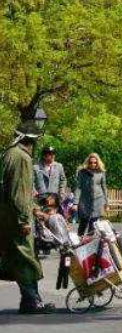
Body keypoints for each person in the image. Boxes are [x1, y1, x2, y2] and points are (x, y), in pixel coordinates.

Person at [1, 120, 54, 313]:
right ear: (31, 140)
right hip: (17, 219)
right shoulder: (21, 157)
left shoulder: (9, 153)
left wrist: (35, 209)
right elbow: (19, 193)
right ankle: (32, 302)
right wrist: (24, 219)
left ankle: (29, 301)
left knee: (16, 258)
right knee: (26, 258)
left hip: (8, 216)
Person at [74, 153, 109, 236]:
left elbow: (104, 187)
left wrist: (106, 203)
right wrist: (75, 203)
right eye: (91, 162)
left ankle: (90, 239)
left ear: (98, 163)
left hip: (98, 199)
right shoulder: (82, 172)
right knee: (84, 221)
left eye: (95, 162)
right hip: (85, 200)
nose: (93, 164)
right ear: (88, 162)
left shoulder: (101, 172)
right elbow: (78, 187)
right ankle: (79, 238)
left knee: (93, 223)